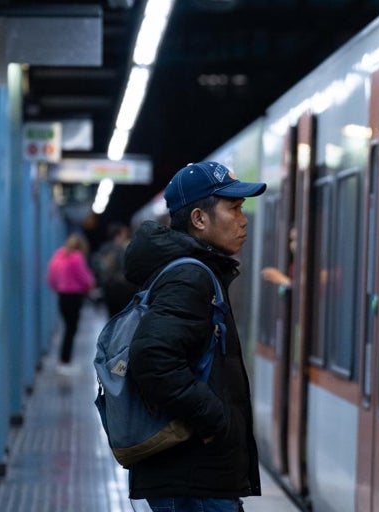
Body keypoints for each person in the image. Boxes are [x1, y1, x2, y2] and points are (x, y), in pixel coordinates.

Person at [122, 161, 266, 511]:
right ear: (200, 219)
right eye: (233, 208)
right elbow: (152, 357)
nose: (244, 219)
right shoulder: (191, 276)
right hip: (194, 480)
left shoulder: (194, 270)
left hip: (195, 477)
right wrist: (216, 419)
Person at [46, 232, 96, 371]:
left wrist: (58, 287)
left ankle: (64, 361)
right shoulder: (77, 257)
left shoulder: (58, 256)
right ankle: (65, 362)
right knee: (71, 330)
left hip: (62, 296)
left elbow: (51, 278)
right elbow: (85, 278)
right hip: (74, 297)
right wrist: (90, 286)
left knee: (67, 328)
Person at [95, 222, 138, 314]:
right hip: (122, 289)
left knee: (112, 315)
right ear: (119, 234)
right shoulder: (121, 249)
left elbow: (99, 268)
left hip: (107, 288)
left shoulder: (103, 248)